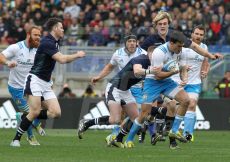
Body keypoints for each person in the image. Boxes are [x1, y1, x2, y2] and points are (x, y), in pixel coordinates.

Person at [124, 30, 223, 149]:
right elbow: (158, 75)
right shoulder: (159, 53)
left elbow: (193, 50)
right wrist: (173, 72)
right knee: (144, 114)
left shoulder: (179, 47)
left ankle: (174, 131)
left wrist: (209, 56)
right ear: (171, 43)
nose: (181, 49)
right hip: (153, 82)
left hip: (167, 82)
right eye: (179, 46)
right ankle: (129, 139)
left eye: (182, 46)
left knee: (186, 100)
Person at [10, 17, 85, 147]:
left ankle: (24, 117)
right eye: (61, 27)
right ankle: (15, 139)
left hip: (45, 82)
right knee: (34, 111)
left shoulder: (55, 42)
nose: (63, 30)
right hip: (34, 80)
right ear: (55, 28)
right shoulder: (47, 42)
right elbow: (61, 59)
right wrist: (77, 55)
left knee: (56, 113)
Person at [77, 46, 160, 147]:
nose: (156, 57)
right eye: (154, 54)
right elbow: (137, 71)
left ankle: (116, 139)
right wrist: (151, 71)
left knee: (137, 119)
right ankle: (87, 123)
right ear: (149, 53)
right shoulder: (141, 59)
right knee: (115, 120)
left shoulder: (153, 64)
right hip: (114, 88)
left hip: (126, 91)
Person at [0, 26, 45, 146]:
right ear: (28, 35)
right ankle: (31, 135)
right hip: (16, 87)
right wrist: (8, 62)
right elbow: (1, 56)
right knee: (31, 112)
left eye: (39, 35)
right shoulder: (16, 47)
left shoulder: (37, 51)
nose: (38, 38)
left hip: (30, 87)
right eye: (35, 35)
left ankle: (21, 117)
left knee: (33, 112)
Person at [167, 25, 210, 144]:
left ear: (203, 36)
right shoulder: (183, 45)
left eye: (201, 35)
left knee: (192, 104)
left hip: (194, 82)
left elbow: (206, 62)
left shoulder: (204, 47)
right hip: (178, 81)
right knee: (172, 107)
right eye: (196, 34)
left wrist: (205, 70)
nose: (198, 36)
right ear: (192, 34)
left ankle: (188, 134)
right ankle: (173, 130)